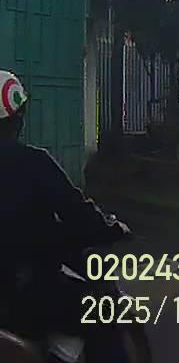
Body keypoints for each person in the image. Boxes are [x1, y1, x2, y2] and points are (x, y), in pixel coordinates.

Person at [0, 70, 132, 361]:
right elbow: (78, 214)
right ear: (18, 118)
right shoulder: (34, 164)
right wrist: (111, 227)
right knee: (104, 312)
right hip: (25, 293)